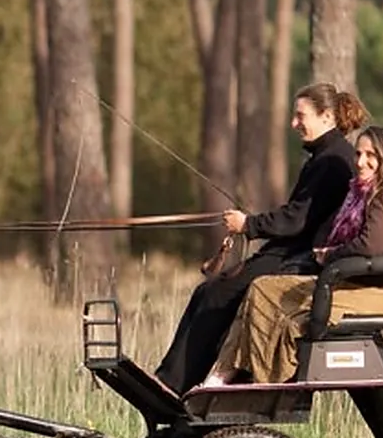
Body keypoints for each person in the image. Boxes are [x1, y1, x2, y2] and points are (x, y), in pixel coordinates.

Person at [153, 82, 368, 395]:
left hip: (301, 261)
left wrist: (249, 224)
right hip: (290, 253)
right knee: (207, 292)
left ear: (326, 117)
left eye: (300, 116)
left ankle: (176, 386)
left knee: (217, 294)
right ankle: (174, 380)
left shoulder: (333, 161)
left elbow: (296, 219)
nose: (294, 124)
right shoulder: (324, 156)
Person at [205, 124, 383, 386]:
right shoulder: (358, 194)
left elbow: (370, 245)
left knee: (288, 316)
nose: (361, 162)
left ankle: (266, 381)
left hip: (374, 291)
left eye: (371, 156)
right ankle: (225, 373)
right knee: (262, 288)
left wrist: (332, 256)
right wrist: (322, 251)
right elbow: (332, 232)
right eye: (358, 154)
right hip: (346, 281)